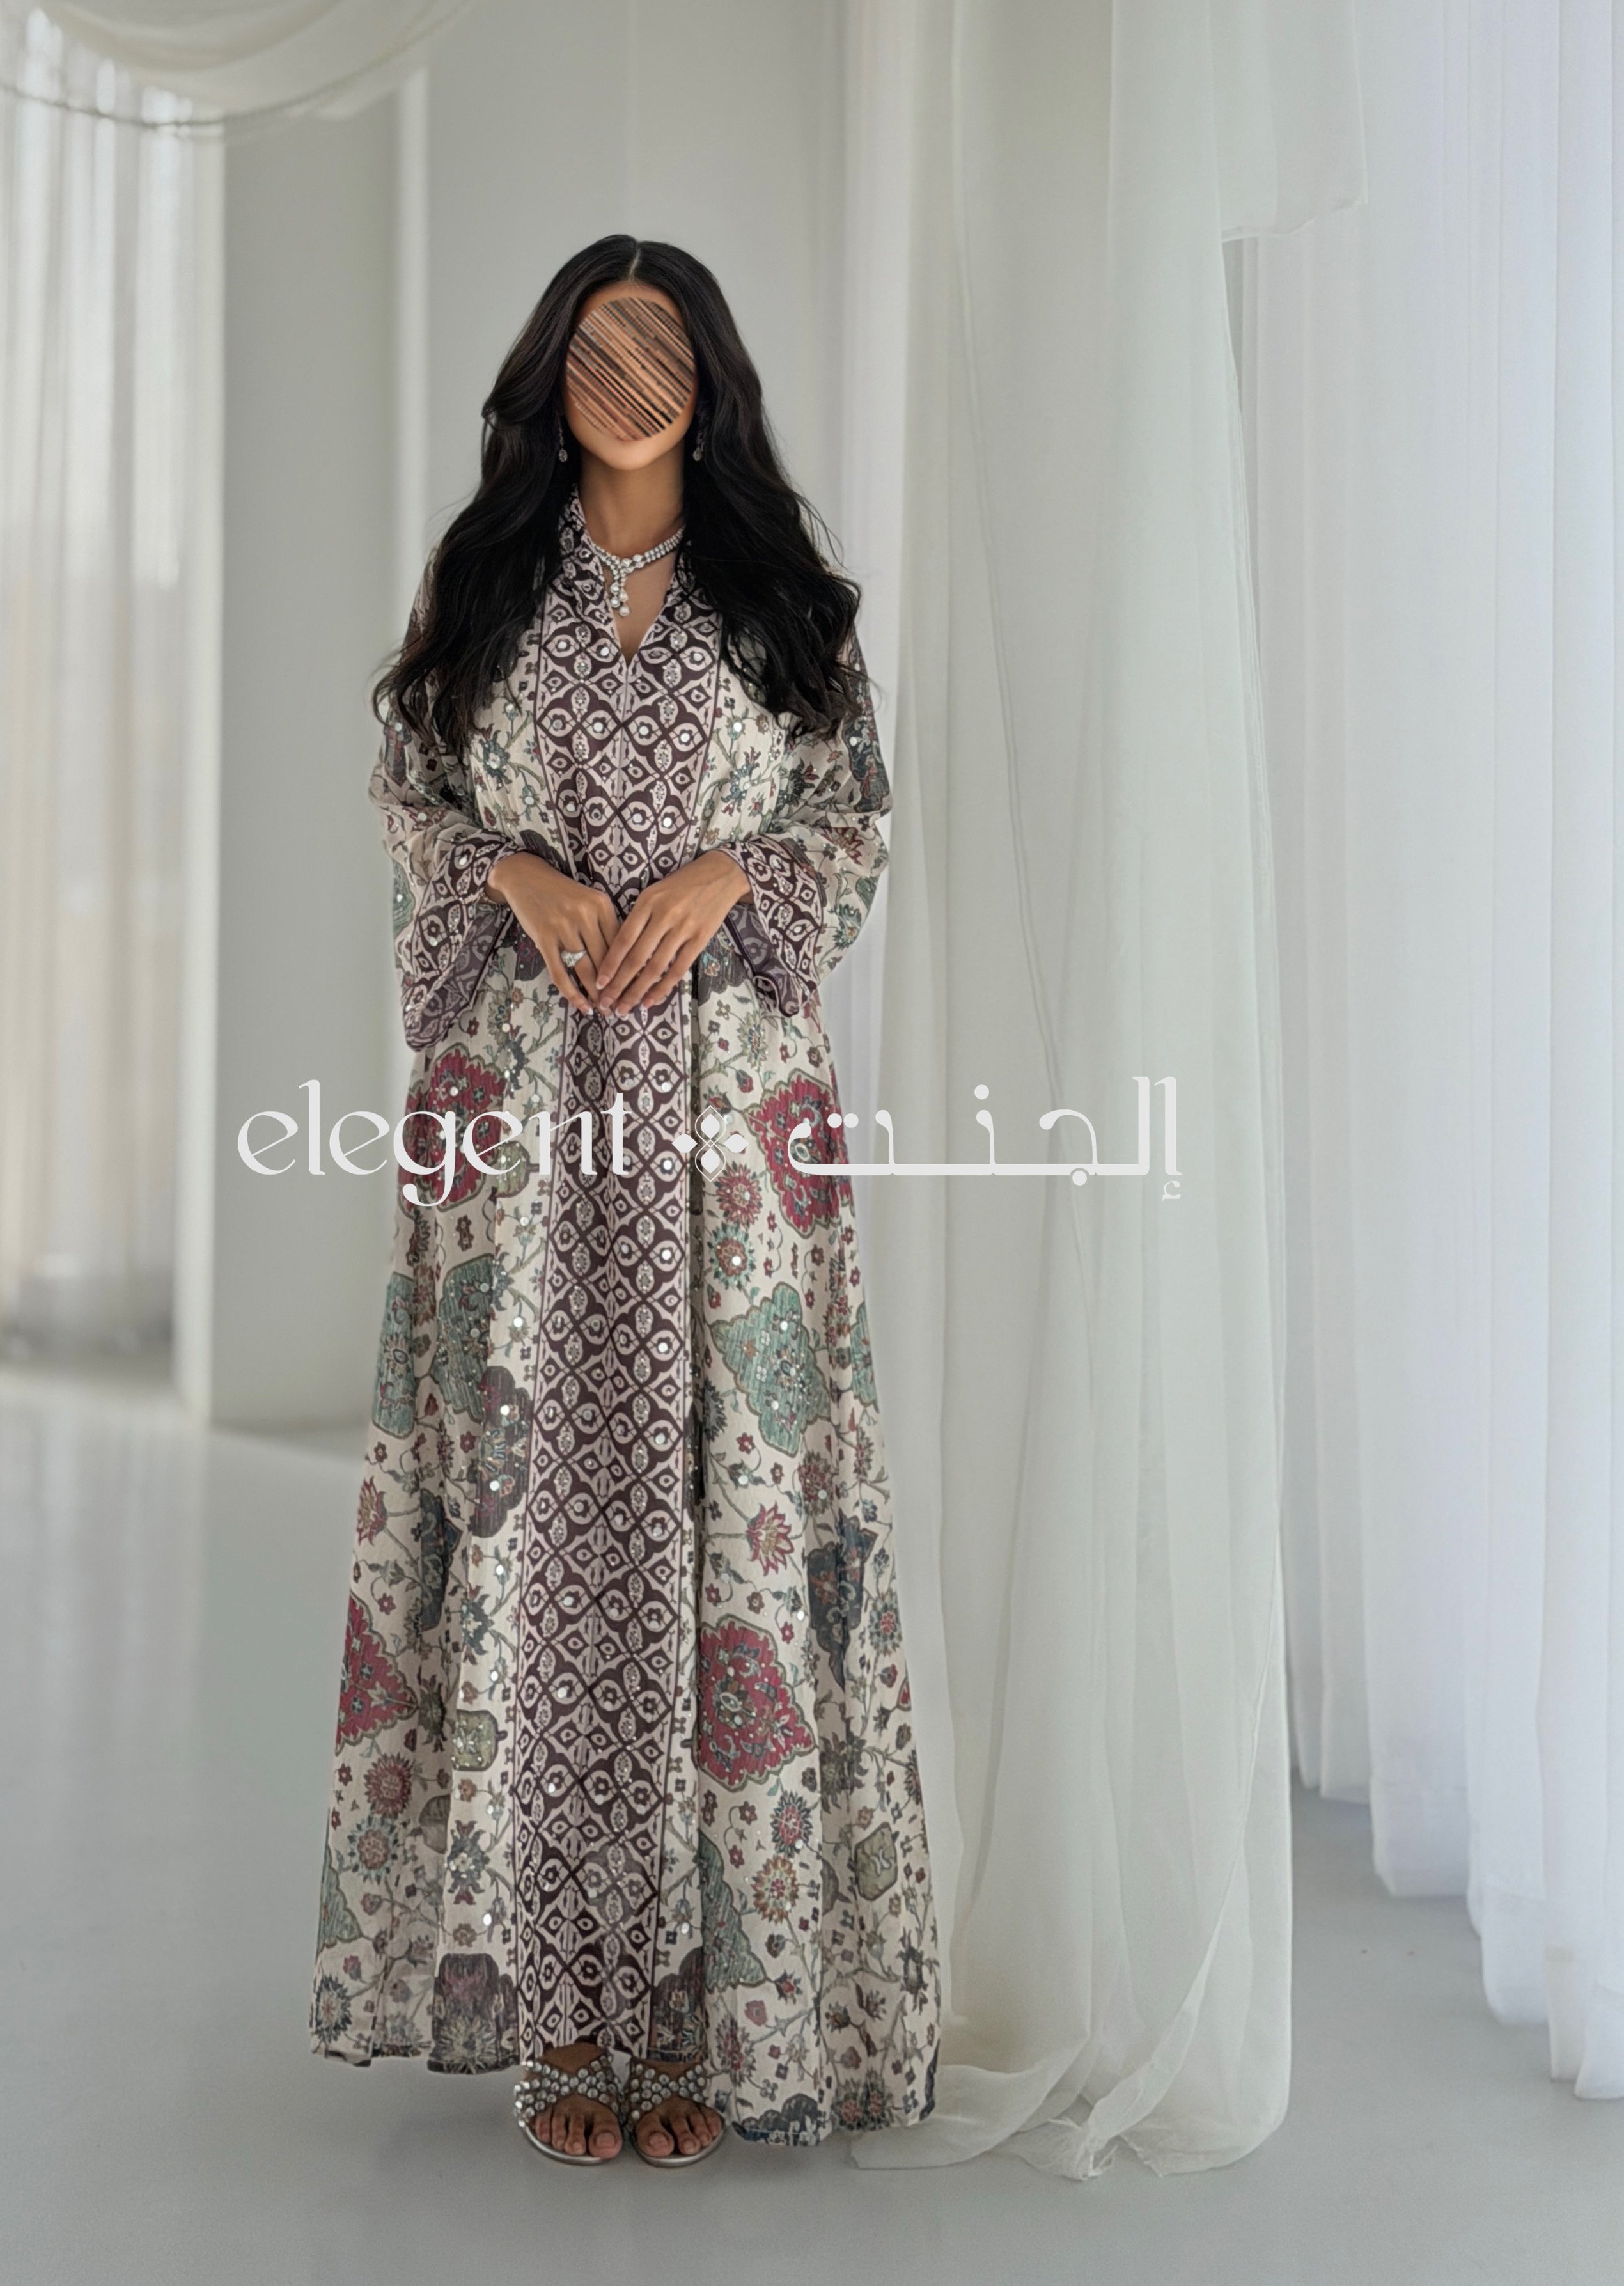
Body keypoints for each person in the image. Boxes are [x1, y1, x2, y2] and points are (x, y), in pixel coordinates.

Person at [309, 235, 940, 2168]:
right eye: (594, 345)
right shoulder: (486, 585)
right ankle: (561, 2022)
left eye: (660, 343)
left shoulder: (787, 604)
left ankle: (705, 2021)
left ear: (710, 373)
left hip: (730, 1141)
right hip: (523, 1136)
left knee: (725, 1529)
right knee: (538, 1542)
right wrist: (511, 872)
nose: (626, 377)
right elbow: (412, 795)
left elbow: (852, 822)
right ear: (547, 371)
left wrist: (728, 877)